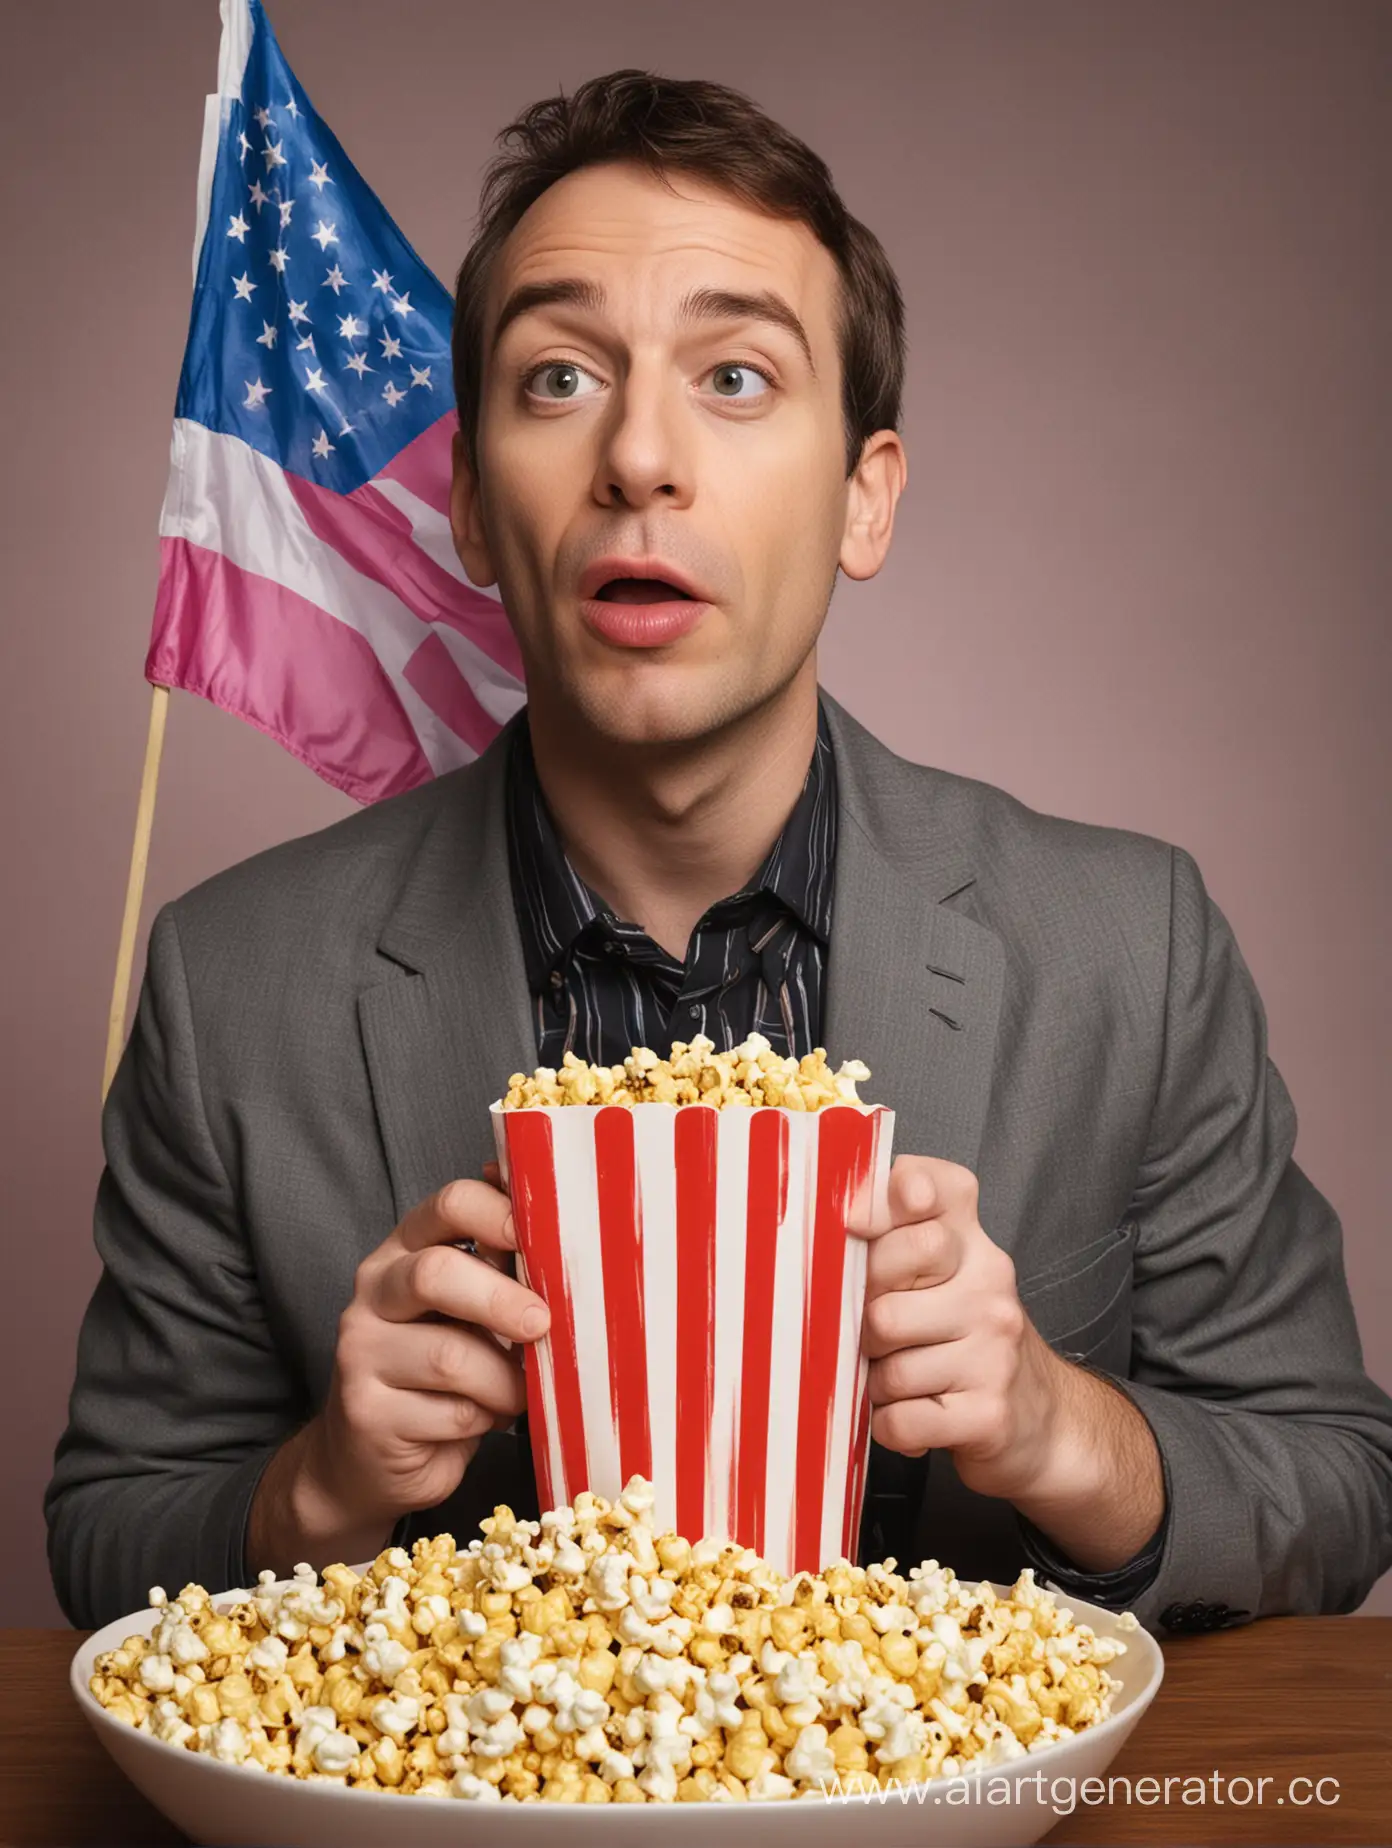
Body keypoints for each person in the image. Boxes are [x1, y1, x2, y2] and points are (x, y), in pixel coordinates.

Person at [47, 71, 1392, 1634]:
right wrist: (319, 1485)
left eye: (738, 377)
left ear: (862, 499)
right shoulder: (233, 984)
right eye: (558, 379)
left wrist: (1059, 1427)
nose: (641, 459)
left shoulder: (1128, 943)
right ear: (475, 510)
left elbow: (1335, 1479)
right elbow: (106, 1536)